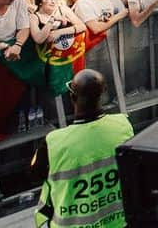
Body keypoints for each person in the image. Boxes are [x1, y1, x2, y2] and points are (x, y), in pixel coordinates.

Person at [32, 68, 134, 228]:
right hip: (119, 223)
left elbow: (34, 174)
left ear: (72, 96)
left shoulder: (53, 142)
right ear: (103, 94)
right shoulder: (123, 125)